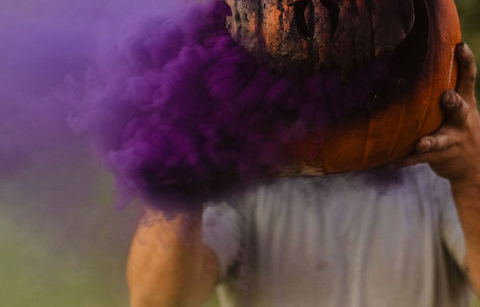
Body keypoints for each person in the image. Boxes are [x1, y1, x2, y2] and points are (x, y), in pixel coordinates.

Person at [126, 43, 480, 307]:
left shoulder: (439, 160)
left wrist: (469, 173)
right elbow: (156, 300)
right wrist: (183, 163)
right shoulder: (241, 174)